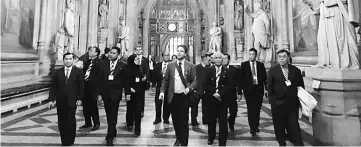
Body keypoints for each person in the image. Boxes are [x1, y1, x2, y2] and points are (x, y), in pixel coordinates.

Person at [159, 45, 197, 146]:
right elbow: (165, 80)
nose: (179, 53)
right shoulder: (171, 65)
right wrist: (162, 91)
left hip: (184, 96)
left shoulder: (191, 66)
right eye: (178, 51)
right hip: (173, 96)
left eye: (181, 51)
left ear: (185, 54)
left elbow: (195, 80)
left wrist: (190, 88)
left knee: (184, 120)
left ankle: (184, 142)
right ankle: (178, 138)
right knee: (175, 120)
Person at [267, 49, 304, 146]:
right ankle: (281, 142)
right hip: (278, 103)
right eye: (280, 57)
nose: (282, 58)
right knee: (279, 125)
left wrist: (300, 101)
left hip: (292, 103)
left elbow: (301, 86)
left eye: (284, 56)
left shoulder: (295, 70)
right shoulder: (273, 70)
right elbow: (269, 87)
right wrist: (273, 101)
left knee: (294, 124)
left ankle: (298, 143)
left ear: (288, 58)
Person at [48, 53, 84, 146]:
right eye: (66, 59)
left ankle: (70, 140)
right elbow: (53, 87)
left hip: (72, 100)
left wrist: (80, 98)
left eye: (70, 59)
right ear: (63, 60)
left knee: (70, 119)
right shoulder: (58, 72)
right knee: (61, 120)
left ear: (73, 60)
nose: (68, 61)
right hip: (60, 101)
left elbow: (81, 86)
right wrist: (51, 100)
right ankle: (64, 140)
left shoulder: (78, 71)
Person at [98, 47, 131, 146]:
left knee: (113, 113)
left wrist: (128, 93)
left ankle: (110, 136)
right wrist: (99, 94)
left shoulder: (123, 65)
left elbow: (126, 81)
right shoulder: (102, 64)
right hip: (105, 93)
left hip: (116, 93)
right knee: (108, 113)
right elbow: (99, 80)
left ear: (118, 55)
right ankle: (113, 129)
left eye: (113, 53)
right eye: (110, 53)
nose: (111, 54)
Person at [313, 0, 360, 69]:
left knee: (340, 41)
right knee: (326, 40)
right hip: (326, 12)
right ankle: (329, 62)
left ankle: (341, 64)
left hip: (337, 11)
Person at [203, 52, 230, 146]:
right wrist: (213, 93)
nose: (218, 59)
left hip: (222, 100)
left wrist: (220, 94)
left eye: (220, 58)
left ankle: (222, 141)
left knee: (223, 122)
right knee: (211, 121)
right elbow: (205, 84)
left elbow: (229, 86)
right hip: (211, 99)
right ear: (213, 59)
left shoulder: (227, 71)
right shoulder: (208, 70)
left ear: (222, 59)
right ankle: (211, 137)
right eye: (216, 58)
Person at [239, 48, 267, 136]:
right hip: (248, 91)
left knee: (257, 109)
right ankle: (252, 128)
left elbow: (264, 78)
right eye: (250, 54)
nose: (251, 56)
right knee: (250, 109)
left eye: (253, 54)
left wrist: (266, 89)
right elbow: (241, 79)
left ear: (256, 55)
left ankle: (256, 125)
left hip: (258, 90)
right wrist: (240, 91)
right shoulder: (244, 65)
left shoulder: (261, 65)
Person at [79, 46, 102, 131]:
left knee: (93, 106)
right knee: (85, 106)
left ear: (96, 53)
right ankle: (87, 122)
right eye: (89, 50)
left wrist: (99, 92)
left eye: (91, 51)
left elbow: (100, 78)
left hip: (94, 88)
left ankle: (96, 123)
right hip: (85, 87)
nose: (89, 51)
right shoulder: (87, 62)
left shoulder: (100, 63)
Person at [125, 54, 145, 136]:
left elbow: (140, 78)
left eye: (138, 59)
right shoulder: (128, 69)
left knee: (138, 110)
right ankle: (129, 124)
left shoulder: (139, 68)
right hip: (131, 92)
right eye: (136, 59)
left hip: (139, 92)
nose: (137, 60)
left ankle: (137, 129)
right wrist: (129, 88)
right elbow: (125, 81)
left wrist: (143, 80)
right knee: (130, 109)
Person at [222, 54, 241, 132]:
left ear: (228, 60)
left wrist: (239, 92)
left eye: (226, 58)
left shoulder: (234, 70)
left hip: (232, 94)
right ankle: (223, 127)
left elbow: (238, 82)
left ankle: (231, 122)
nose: (224, 60)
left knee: (234, 111)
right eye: (222, 58)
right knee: (223, 112)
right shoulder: (218, 69)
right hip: (222, 95)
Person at [152, 51, 171, 125]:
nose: (167, 56)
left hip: (168, 87)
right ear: (162, 56)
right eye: (165, 55)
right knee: (158, 103)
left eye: (168, 55)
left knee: (167, 103)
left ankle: (166, 118)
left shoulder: (172, 65)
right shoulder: (157, 66)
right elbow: (153, 76)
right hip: (159, 87)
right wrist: (153, 85)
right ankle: (158, 118)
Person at [194, 51, 213, 126]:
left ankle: (205, 119)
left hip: (206, 91)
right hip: (198, 90)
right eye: (208, 60)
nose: (210, 61)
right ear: (204, 59)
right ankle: (194, 120)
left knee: (206, 106)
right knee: (194, 106)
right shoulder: (197, 67)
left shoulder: (210, 68)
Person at [134, 47, 150, 117]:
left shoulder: (145, 59)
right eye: (137, 50)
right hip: (134, 80)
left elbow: (147, 69)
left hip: (142, 79)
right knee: (134, 96)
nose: (138, 51)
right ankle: (135, 111)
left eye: (140, 49)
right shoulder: (133, 58)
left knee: (141, 96)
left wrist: (146, 77)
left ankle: (141, 110)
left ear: (142, 51)